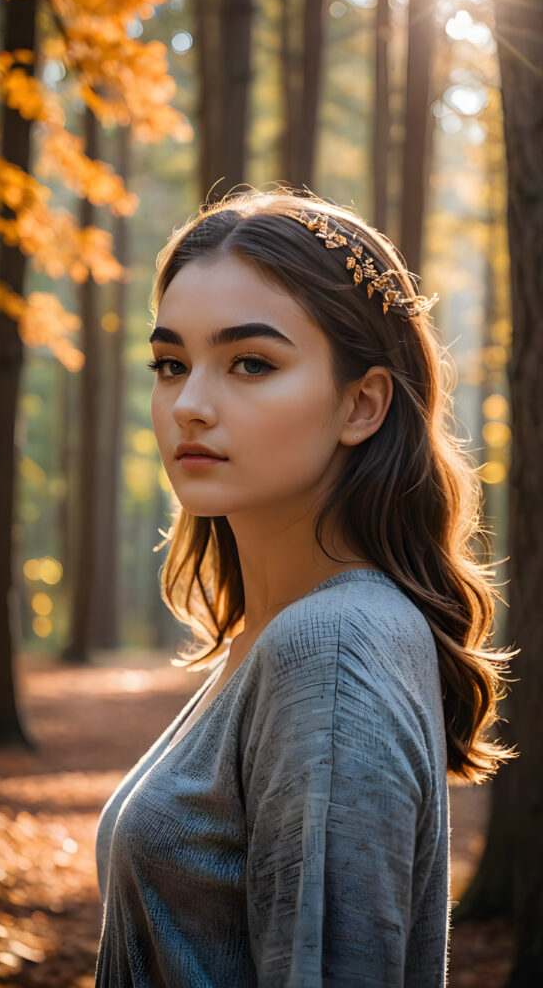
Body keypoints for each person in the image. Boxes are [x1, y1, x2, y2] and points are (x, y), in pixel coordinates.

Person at [95, 189, 517, 987]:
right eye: (170, 363)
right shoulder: (275, 636)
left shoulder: (332, 650)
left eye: (251, 363)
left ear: (361, 403)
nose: (188, 404)